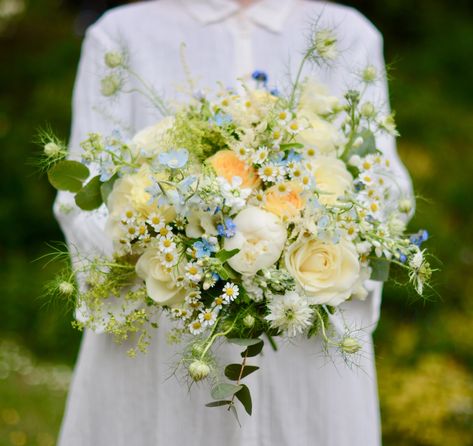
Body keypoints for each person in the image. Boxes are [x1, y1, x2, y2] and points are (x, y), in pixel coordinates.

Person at [55, 0, 413, 444]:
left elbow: (386, 186)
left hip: (304, 335)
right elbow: (80, 195)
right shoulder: (122, 35)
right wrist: (180, 255)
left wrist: (293, 251)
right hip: (164, 332)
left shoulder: (346, 33)